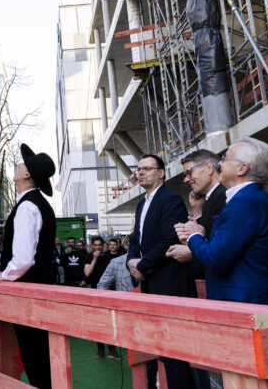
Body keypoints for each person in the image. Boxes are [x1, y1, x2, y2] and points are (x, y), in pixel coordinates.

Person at [175, 138, 268, 307]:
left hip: (244, 305)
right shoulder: (253, 199)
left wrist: (193, 236)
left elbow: (216, 259)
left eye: (226, 158)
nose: (220, 163)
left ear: (241, 168)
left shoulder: (246, 202)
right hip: (250, 302)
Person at [0, 144, 56, 389]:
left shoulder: (27, 207)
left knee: (34, 355)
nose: (18, 164)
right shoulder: (36, 204)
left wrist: (3, 275)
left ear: (27, 175)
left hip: (30, 295)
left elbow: (24, 259)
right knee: (38, 354)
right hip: (40, 291)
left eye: (23, 163)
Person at [127, 154, 196, 389]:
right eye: (138, 169)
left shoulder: (171, 199)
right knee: (157, 347)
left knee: (174, 352)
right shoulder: (141, 204)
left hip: (169, 284)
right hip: (149, 283)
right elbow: (136, 239)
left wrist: (142, 266)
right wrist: (130, 261)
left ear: (161, 173)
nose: (141, 172)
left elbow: (169, 239)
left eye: (147, 168)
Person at [166, 149, 228, 278]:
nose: (186, 180)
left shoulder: (224, 196)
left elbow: (224, 249)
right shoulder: (212, 199)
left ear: (209, 167)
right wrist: (198, 212)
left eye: (189, 172)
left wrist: (191, 251)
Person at [84, 236, 117, 359]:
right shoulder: (88, 257)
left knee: (110, 322)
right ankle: (100, 350)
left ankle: (112, 350)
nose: (97, 247)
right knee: (98, 322)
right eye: (95, 245)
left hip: (109, 292)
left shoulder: (109, 258)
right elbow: (87, 273)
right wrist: (94, 258)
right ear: (92, 245)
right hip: (95, 292)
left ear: (103, 245)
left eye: (99, 245)